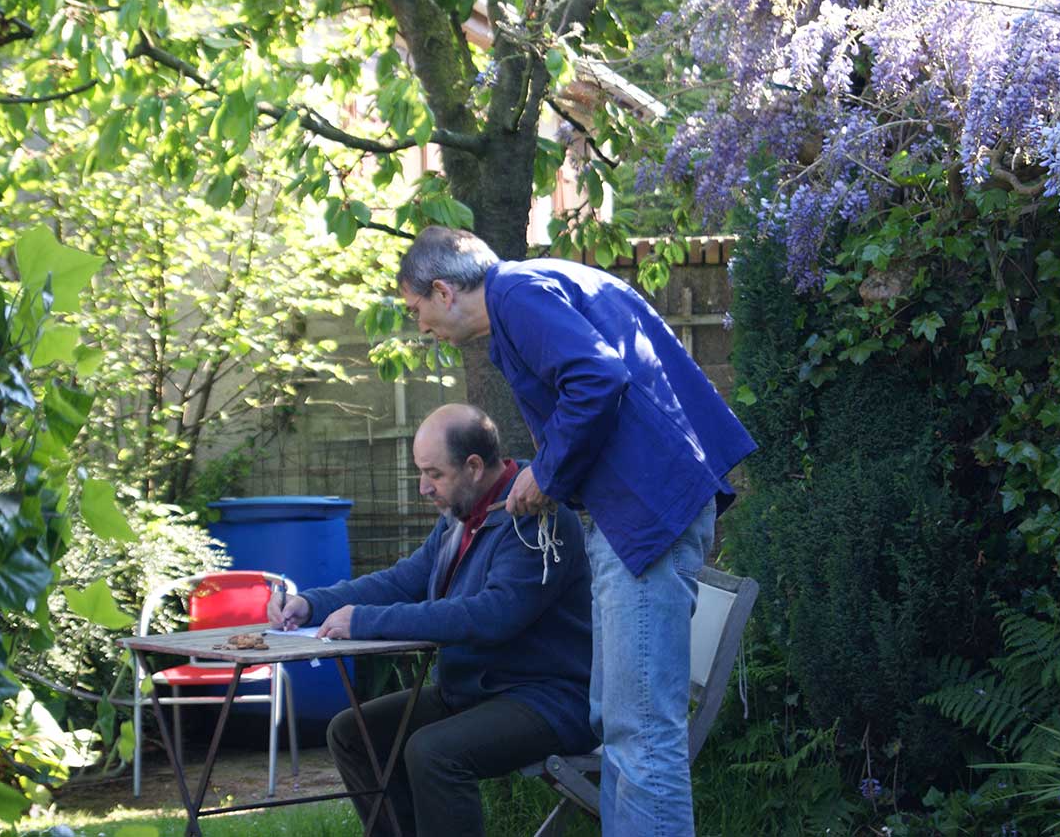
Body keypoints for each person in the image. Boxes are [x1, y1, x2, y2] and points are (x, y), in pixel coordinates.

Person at [393, 227, 757, 836]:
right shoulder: (537, 287)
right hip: (639, 513)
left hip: (646, 518)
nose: (421, 327)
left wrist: (548, 472)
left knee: (641, 734)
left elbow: (598, 376)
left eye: (416, 310)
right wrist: (551, 469)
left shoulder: (517, 294)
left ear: (442, 291)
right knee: (622, 726)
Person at [266, 403, 596, 837]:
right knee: (353, 733)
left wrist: (365, 621)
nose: (423, 487)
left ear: (473, 467)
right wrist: (311, 604)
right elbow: (403, 580)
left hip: (548, 699)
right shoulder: (463, 514)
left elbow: (492, 615)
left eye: (434, 474)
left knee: (433, 752)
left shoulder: (535, 516)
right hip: (475, 690)